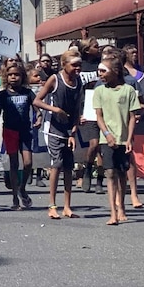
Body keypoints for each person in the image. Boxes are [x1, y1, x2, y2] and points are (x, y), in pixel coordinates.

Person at [34, 50, 82, 220]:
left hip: (68, 129)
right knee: (57, 164)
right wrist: (55, 110)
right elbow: (37, 100)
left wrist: (74, 127)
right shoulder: (55, 79)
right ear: (64, 65)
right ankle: (52, 205)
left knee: (69, 166)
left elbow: (77, 107)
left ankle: (67, 206)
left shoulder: (78, 81)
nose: (78, 68)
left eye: (79, 64)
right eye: (74, 64)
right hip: (53, 128)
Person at [93, 56, 140, 225]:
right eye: (99, 71)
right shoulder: (99, 90)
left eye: (103, 71)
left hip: (124, 138)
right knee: (110, 173)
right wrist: (106, 133)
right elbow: (99, 116)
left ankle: (122, 206)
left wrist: (129, 139)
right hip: (107, 139)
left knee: (121, 173)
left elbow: (133, 116)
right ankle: (112, 211)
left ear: (116, 71)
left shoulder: (128, 90)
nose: (100, 74)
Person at [0, 61, 36, 210]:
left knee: (28, 162)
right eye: (10, 75)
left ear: (22, 77)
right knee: (14, 164)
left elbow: (37, 107)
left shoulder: (27, 93)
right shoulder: (3, 95)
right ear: (6, 77)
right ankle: (15, 197)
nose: (13, 77)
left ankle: (22, 187)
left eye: (16, 75)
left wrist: (40, 116)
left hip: (25, 131)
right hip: (9, 131)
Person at [76, 37, 104, 194]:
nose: (98, 48)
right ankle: (87, 170)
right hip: (87, 108)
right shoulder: (80, 66)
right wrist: (78, 113)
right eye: (95, 46)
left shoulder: (102, 64)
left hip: (103, 106)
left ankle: (99, 180)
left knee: (102, 147)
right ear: (86, 50)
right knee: (94, 144)